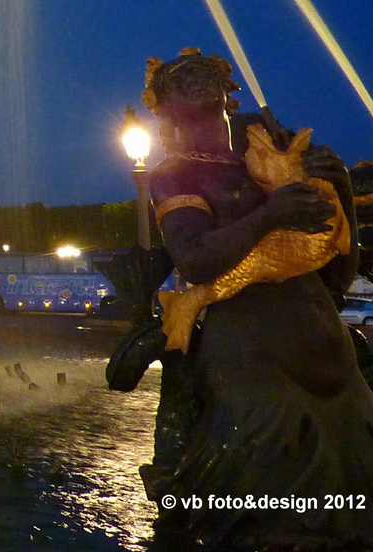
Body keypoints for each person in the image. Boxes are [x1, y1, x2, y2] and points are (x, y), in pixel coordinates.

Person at [144, 47, 373, 549]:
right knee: (262, 518)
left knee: (355, 508)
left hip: (327, 352)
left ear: (230, 94)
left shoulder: (273, 161)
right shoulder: (173, 173)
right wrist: (270, 215)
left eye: (207, 74)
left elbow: (339, 273)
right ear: (164, 106)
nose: (199, 79)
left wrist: (340, 197)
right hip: (251, 356)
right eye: (183, 79)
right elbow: (195, 258)